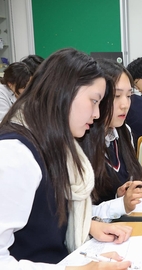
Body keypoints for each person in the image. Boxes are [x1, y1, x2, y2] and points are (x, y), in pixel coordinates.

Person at [0, 48, 132, 269]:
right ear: (64, 93)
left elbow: (45, 217)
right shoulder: (15, 153)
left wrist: (88, 224)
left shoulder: (54, 144)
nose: (97, 114)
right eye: (94, 101)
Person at [87, 58, 142, 220]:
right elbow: (76, 217)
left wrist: (119, 195)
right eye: (116, 96)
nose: (125, 104)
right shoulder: (80, 143)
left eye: (129, 96)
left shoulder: (124, 132)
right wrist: (121, 204)